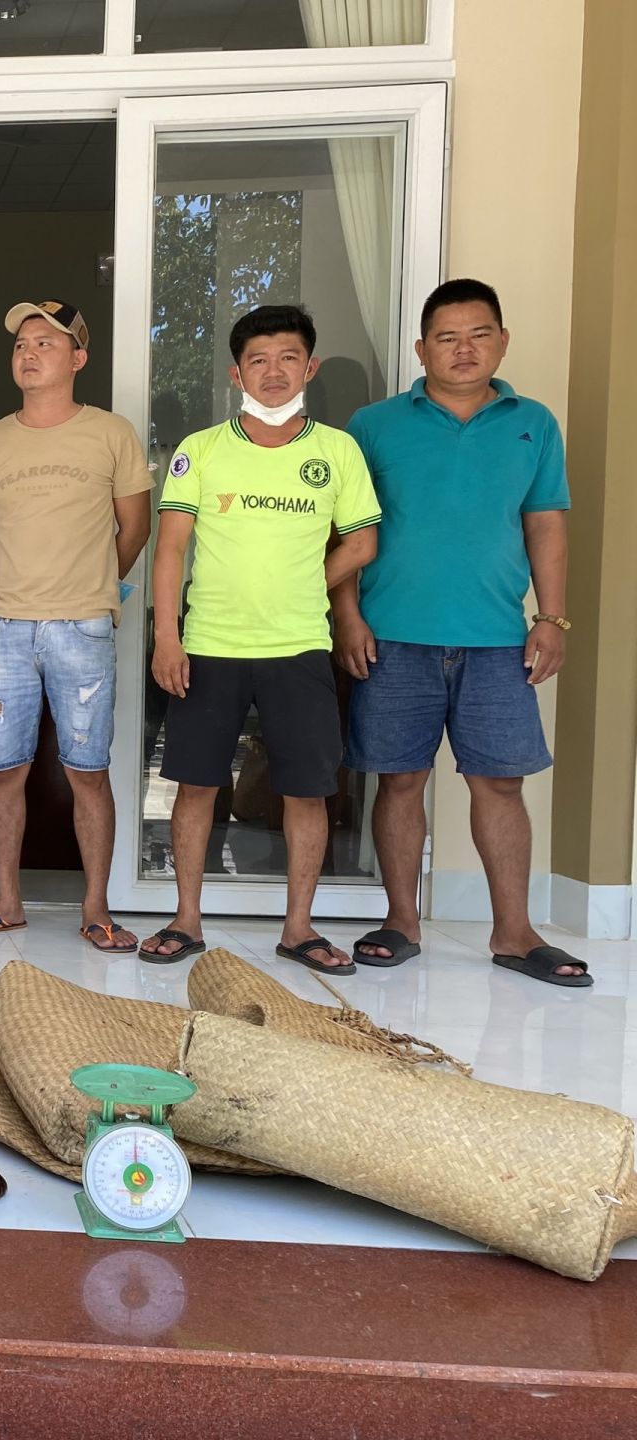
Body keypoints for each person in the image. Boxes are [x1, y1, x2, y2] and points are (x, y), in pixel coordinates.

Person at [334, 280, 587, 986]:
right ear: (422, 350)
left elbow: (546, 524)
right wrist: (347, 615)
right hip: (393, 636)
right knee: (400, 781)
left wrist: (551, 618)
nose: (464, 349)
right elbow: (345, 529)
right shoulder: (373, 425)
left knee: (501, 784)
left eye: (479, 335)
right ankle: (400, 921)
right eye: (447, 337)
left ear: (502, 342)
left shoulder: (533, 423)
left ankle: (515, 932)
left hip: (498, 639)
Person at [140, 304, 380, 973]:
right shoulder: (200, 450)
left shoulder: (337, 451)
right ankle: (186, 920)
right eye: (258, 360)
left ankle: (299, 929)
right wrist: (167, 637)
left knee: (307, 790)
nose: (273, 372)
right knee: (196, 786)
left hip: (298, 646)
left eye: (287, 358)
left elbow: (362, 542)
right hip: (210, 645)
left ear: (310, 367)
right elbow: (170, 549)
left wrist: (305, 582)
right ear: (236, 373)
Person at [0, 301, 152, 951]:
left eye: (45, 342)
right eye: (21, 345)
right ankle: (6, 902)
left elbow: (136, 527)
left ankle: (97, 908)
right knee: (3, 768)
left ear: (78, 359)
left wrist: (92, 584)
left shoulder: (112, 434)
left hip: (83, 627)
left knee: (88, 771)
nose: (28, 353)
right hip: (5, 626)